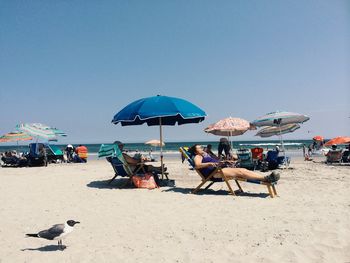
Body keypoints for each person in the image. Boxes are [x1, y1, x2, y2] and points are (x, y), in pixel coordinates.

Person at [188, 144, 280, 183]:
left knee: (243, 170)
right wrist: (208, 164)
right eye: (199, 148)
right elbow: (197, 165)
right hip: (214, 173)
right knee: (239, 173)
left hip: (219, 168)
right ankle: (266, 178)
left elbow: (215, 161)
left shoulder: (206, 155)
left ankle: (264, 178)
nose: (202, 148)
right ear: (196, 151)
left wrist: (224, 161)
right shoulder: (198, 156)